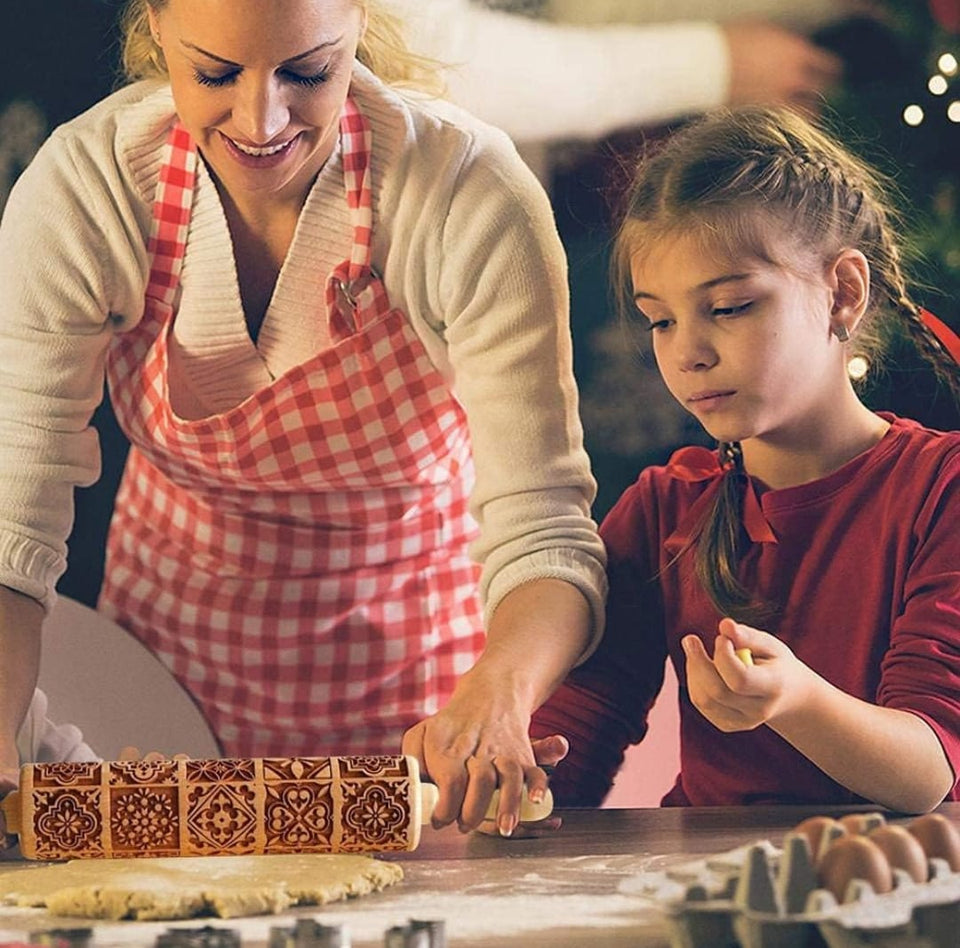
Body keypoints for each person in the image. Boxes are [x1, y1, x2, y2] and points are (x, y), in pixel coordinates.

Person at [0, 0, 607, 843]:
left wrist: (498, 692)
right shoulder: (89, 188)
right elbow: (13, 527)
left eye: (308, 73)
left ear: (359, 24)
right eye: (215, 73)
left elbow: (545, 530)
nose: (262, 121)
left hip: (422, 694)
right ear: (156, 26)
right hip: (163, 680)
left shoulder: (462, 190)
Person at [530, 105, 960, 813]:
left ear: (843, 293)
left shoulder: (941, 491)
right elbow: (581, 727)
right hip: (705, 878)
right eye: (660, 319)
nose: (687, 352)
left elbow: (929, 771)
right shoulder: (663, 506)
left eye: (728, 307)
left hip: (900, 874)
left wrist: (794, 700)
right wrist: (516, 780)